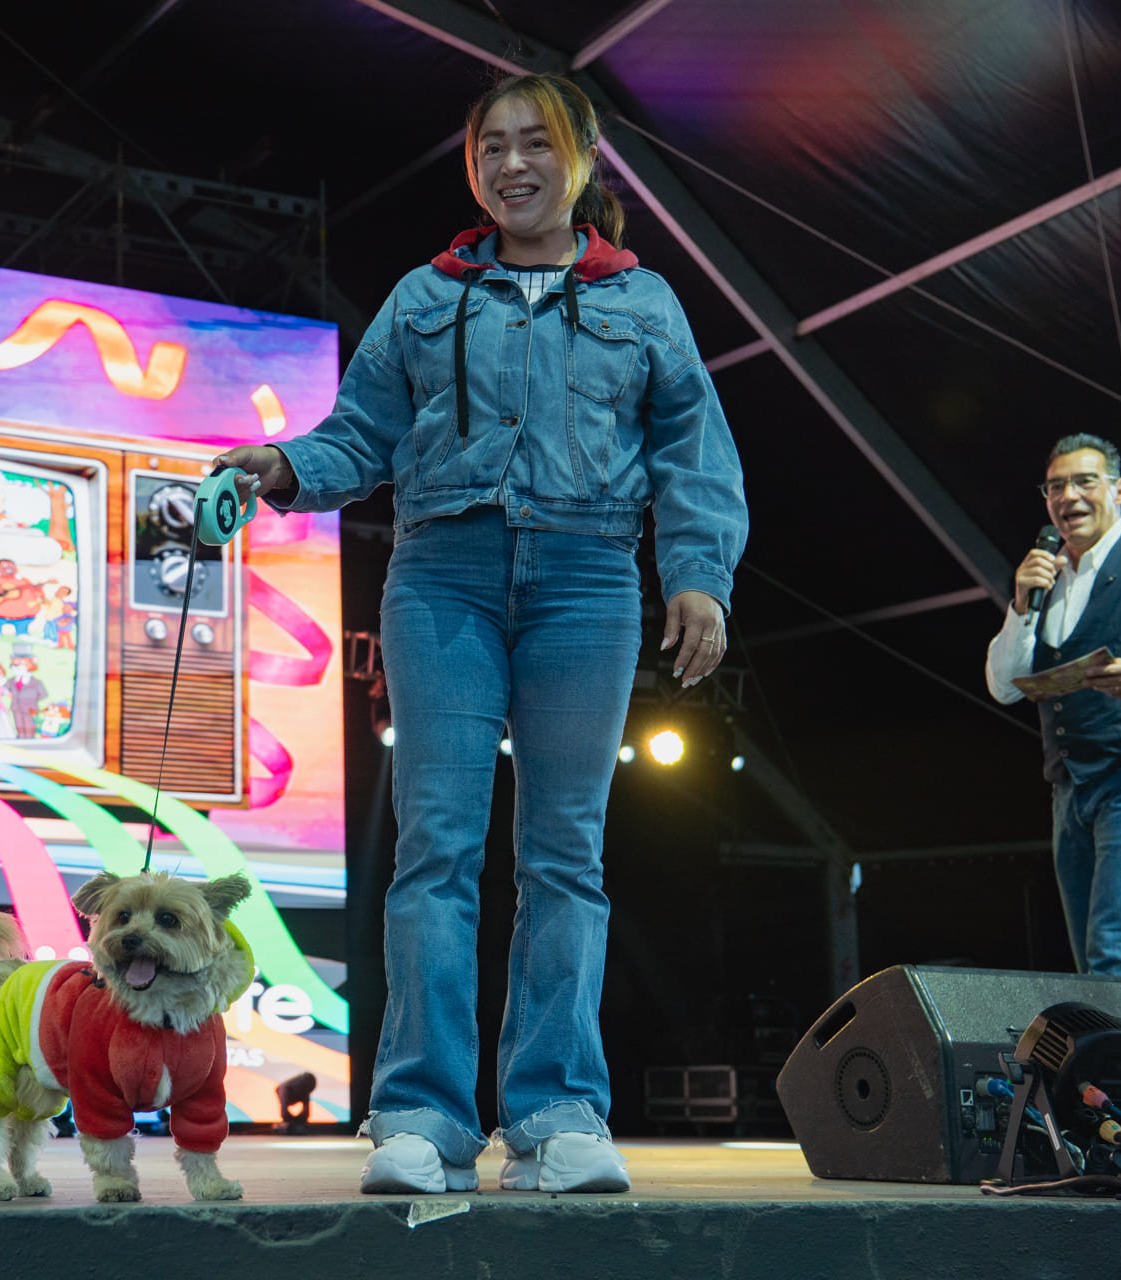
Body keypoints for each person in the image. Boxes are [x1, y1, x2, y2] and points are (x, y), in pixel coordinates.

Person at [215, 73, 746, 1195]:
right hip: (441, 576)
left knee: (566, 856)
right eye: (490, 148)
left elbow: (695, 449)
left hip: (589, 579)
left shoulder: (645, 302)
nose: (511, 165)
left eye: (533, 144)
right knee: (438, 850)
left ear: (583, 158)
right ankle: (422, 1113)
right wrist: (284, 467)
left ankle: (557, 1109)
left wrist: (696, 575)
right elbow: (360, 433)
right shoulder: (424, 296)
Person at [985, 433, 1121, 1073]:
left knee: (1117, 970)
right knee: (1102, 980)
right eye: (1055, 487)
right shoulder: (1045, 579)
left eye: (1083, 481)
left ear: (1117, 489)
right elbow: (1001, 684)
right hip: (1071, 789)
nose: (1068, 497)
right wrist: (1022, 603)